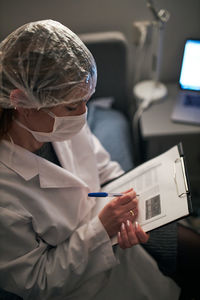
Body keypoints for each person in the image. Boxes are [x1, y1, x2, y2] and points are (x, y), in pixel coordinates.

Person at [0, 20, 181, 300]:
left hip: (112, 232)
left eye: (86, 101)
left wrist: (125, 196)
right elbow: (35, 280)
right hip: (78, 283)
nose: (84, 114)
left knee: (179, 243)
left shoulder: (59, 121)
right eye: (72, 106)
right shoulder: (5, 189)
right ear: (21, 102)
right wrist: (99, 231)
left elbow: (103, 167)